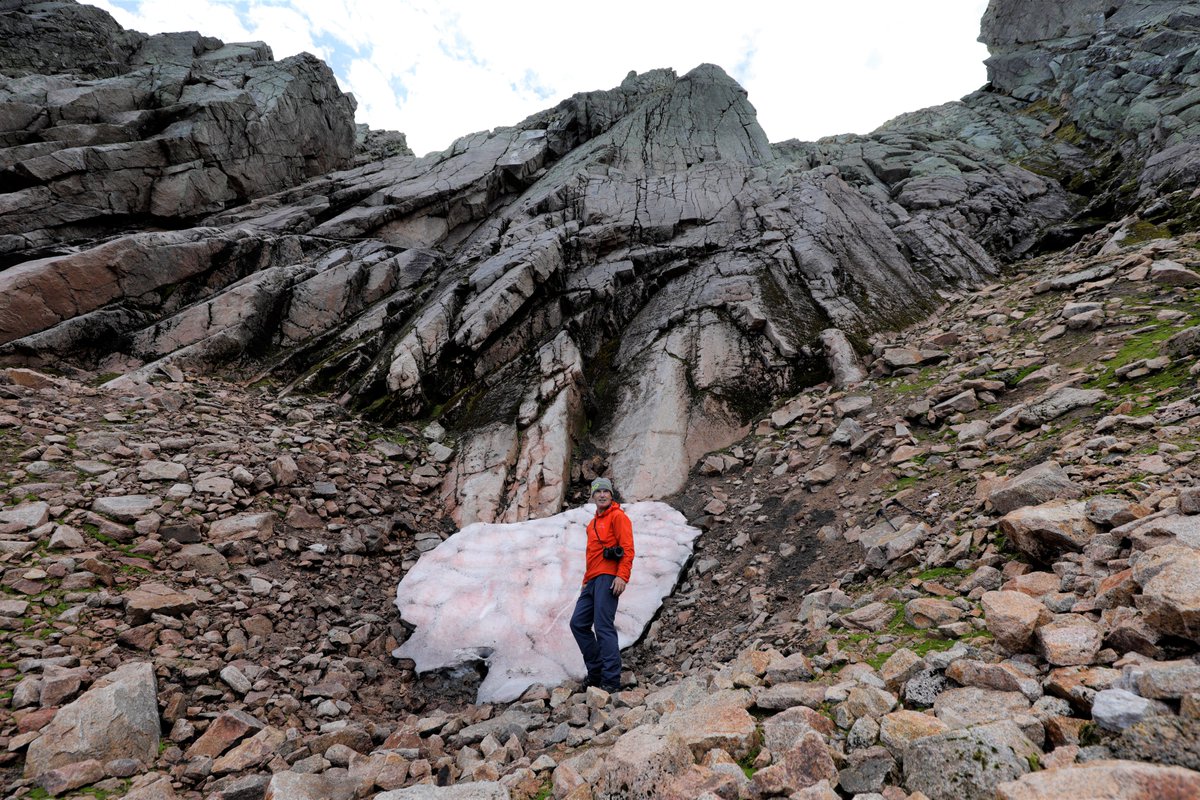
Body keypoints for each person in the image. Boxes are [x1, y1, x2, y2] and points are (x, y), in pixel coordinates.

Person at [569, 476, 634, 693]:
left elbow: (627, 549)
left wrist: (622, 576)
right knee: (578, 623)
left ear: (611, 494)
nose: (602, 495)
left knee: (603, 627)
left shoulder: (619, 517)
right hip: (591, 580)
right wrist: (585, 582)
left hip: (608, 578)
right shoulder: (592, 524)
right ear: (593, 496)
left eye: (606, 491)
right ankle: (596, 672)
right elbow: (591, 555)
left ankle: (611, 681)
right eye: (598, 492)